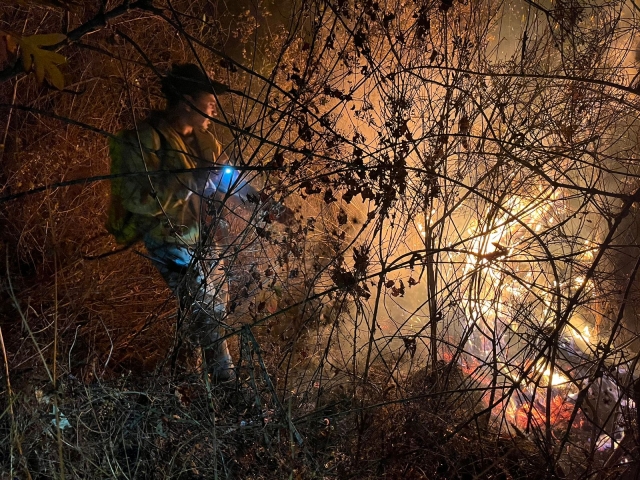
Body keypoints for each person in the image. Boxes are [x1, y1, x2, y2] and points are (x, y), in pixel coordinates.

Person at [106, 63, 292, 382]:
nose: (212, 108)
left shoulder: (204, 142)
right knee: (207, 312)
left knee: (212, 306)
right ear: (187, 101)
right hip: (167, 240)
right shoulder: (144, 141)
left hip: (201, 241)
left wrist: (266, 204)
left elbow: (227, 180)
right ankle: (225, 385)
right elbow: (136, 197)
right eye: (208, 101)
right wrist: (188, 183)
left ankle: (186, 379)